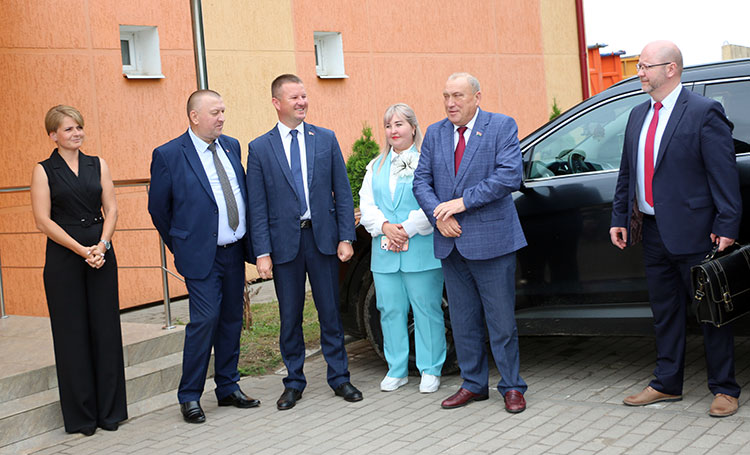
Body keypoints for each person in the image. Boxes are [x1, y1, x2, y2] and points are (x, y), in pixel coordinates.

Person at [610, 40, 742, 417]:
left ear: (671, 69)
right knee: (664, 312)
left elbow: (723, 173)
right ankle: (666, 383)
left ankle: (725, 388)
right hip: (652, 232)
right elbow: (627, 174)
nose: (639, 72)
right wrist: (620, 218)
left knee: (711, 312)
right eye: (639, 66)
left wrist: (727, 224)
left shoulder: (702, 111)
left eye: (645, 66)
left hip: (698, 232)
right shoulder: (638, 114)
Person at [412, 73, 528, 413]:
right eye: (446, 96)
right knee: (463, 321)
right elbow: (421, 182)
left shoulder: (501, 126)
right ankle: (474, 384)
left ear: (477, 97)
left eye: (458, 96)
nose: (451, 103)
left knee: (501, 323)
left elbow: (509, 176)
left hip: (492, 242)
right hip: (450, 243)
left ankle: (512, 386)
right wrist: (438, 215)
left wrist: (461, 203)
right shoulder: (435, 132)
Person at [247, 74, 362, 410]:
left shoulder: (325, 139)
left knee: (330, 312)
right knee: (290, 317)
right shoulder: (260, 148)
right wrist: (262, 253)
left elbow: (342, 192)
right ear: (276, 103)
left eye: (304, 96)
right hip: (284, 246)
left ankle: (340, 378)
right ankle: (294, 382)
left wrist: (346, 236)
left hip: (322, 240)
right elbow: (257, 206)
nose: (302, 102)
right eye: (294, 97)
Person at [148, 90, 259, 424]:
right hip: (200, 256)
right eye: (215, 112)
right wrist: (182, 245)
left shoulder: (232, 146)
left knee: (231, 319)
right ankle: (189, 395)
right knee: (205, 320)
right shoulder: (169, 154)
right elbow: (159, 210)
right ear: (194, 116)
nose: (222, 118)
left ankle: (227, 386)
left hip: (233, 251)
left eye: (223, 111)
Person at [31, 105, 127, 436]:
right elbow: (42, 220)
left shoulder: (97, 164)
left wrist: (102, 246)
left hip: (101, 253)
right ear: (53, 135)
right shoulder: (44, 170)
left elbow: (111, 209)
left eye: (79, 127)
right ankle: (82, 418)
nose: (76, 133)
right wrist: (81, 249)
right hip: (64, 258)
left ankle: (110, 412)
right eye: (69, 129)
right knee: (71, 336)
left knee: (106, 331)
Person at [359, 103, 447, 393]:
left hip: (420, 250)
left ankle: (430, 368)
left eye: (398, 124)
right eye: (388, 125)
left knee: (426, 310)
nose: (393, 131)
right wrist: (385, 226)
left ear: (412, 127)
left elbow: (433, 201)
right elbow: (366, 204)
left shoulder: (427, 161)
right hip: (385, 253)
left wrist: (407, 229)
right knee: (389, 310)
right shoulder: (375, 166)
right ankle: (396, 368)